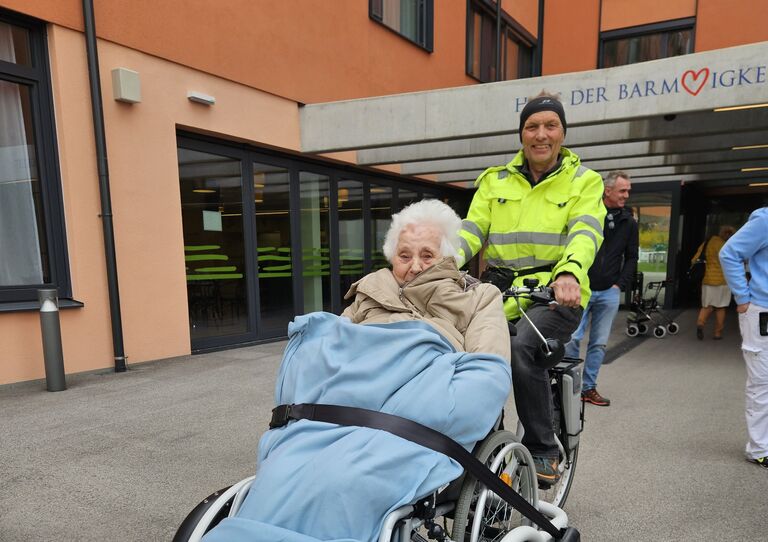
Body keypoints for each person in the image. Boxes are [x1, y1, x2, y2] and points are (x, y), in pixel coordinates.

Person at [203, 200, 512, 542]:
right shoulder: (369, 292)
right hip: (332, 422)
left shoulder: (478, 297)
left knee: (346, 483)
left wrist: (413, 400)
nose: (414, 266)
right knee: (281, 473)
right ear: (391, 257)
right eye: (404, 255)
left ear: (449, 257)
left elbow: (489, 374)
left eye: (427, 255)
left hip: (403, 430)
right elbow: (329, 356)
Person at [457, 92, 606, 484]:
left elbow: (585, 232)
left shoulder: (584, 181)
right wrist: (431, 262)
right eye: (532, 126)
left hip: (555, 294)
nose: (541, 134)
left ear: (563, 132)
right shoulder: (494, 181)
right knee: (461, 350)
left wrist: (570, 273)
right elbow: (469, 234)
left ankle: (543, 446)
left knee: (523, 347)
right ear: (522, 134)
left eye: (550, 125)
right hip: (498, 293)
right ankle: (483, 442)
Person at [564, 171, 638, 407]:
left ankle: (588, 388)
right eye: (622, 190)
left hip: (609, 291)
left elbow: (632, 258)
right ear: (607, 191)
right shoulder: (589, 213)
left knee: (598, 343)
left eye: (628, 191)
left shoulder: (629, 223)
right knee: (572, 338)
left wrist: (619, 285)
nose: (626, 195)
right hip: (583, 288)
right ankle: (569, 387)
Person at [719, 207, 768, 470]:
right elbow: (729, 253)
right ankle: (760, 448)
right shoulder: (765, 220)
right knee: (762, 382)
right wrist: (743, 298)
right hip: (761, 310)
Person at [691, 225, 736, 340]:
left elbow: (694, 260)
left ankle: (700, 324)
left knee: (707, 305)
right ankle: (717, 333)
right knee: (720, 307)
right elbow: (731, 262)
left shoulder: (708, 243)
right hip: (723, 281)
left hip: (707, 280)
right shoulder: (728, 246)